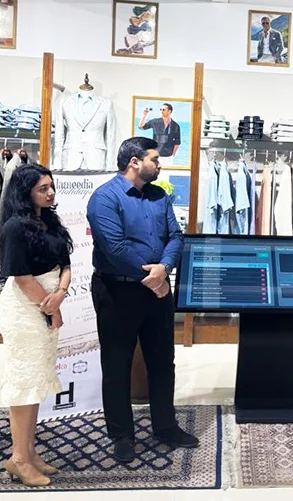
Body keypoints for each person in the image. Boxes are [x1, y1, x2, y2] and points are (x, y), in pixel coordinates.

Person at [87, 136, 198, 463]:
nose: (159, 164)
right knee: (116, 364)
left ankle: (166, 426)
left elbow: (175, 236)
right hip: (116, 291)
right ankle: (121, 435)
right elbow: (115, 248)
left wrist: (164, 269)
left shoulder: (159, 195)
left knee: (163, 361)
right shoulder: (104, 198)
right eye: (154, 159)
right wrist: (153, 278)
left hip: (158, 289)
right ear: (134, 162)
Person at [0, 164, 73, 487]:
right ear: (25, 192)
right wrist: (50, 308)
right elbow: (22, 278)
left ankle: (29, 452)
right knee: (23, 383)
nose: (50, 193)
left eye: (51, 187)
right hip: (25, 310)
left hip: (47, 304)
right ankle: (18, 459)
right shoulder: (15, 226)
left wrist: (61, 293)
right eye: (43, 188)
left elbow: (65, 263)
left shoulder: (51, 220)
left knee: (36, 382)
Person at [139, 103, 181, 167]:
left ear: (169, 111)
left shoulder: (175, 126)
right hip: (156, 155)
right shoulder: (155, 122)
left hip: (168, 157)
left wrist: (173, 155)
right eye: (160, 109)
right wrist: (144, 115)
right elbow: (141, 126)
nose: (161, 111)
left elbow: (177, 142)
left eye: (163, 110)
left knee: (167, 172)